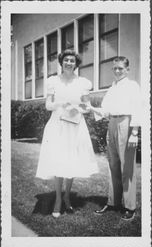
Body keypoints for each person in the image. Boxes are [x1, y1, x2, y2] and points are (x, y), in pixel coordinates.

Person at [36, 49, 98, 218]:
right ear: (61, 62)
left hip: (75, 126)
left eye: (72, 60)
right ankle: (57, 199)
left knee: (72, 160)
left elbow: (86, 106)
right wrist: (62, 103)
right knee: (58, 159)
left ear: (76, 63)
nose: (69, 63)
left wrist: (79, 107)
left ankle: (67, 196)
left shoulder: (83, 82)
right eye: (66, 60)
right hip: (57, 125)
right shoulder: (53, 81)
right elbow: (48, 105)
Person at [90, 56, 141, 221]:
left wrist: (134, 133)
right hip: (112, 123)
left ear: (127, 69)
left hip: (126, 123)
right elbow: (105, 110)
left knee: (127, 168)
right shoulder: (112, 87)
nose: (117, 71)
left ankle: (129, 206)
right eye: (115, 68)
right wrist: (90, 108)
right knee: (113, 164)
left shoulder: (133, 86)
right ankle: (113, 202)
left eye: (120, 68)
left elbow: (138, 109)